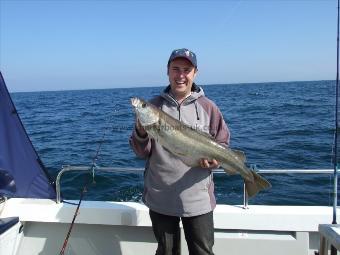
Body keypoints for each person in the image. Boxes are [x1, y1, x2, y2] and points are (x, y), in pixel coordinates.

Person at [130, 48, 230, 255]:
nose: (181, 75)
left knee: (202, 252)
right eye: (176, 69)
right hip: (161, 197)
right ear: (167, 71)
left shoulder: (209, 107)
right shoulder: (153, 107)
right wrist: (141, 132)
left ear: (195, 73)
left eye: (187, 69)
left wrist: (216, 162)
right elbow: (141, 152)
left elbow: (223, 144)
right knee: (166, 251)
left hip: (198, 199)